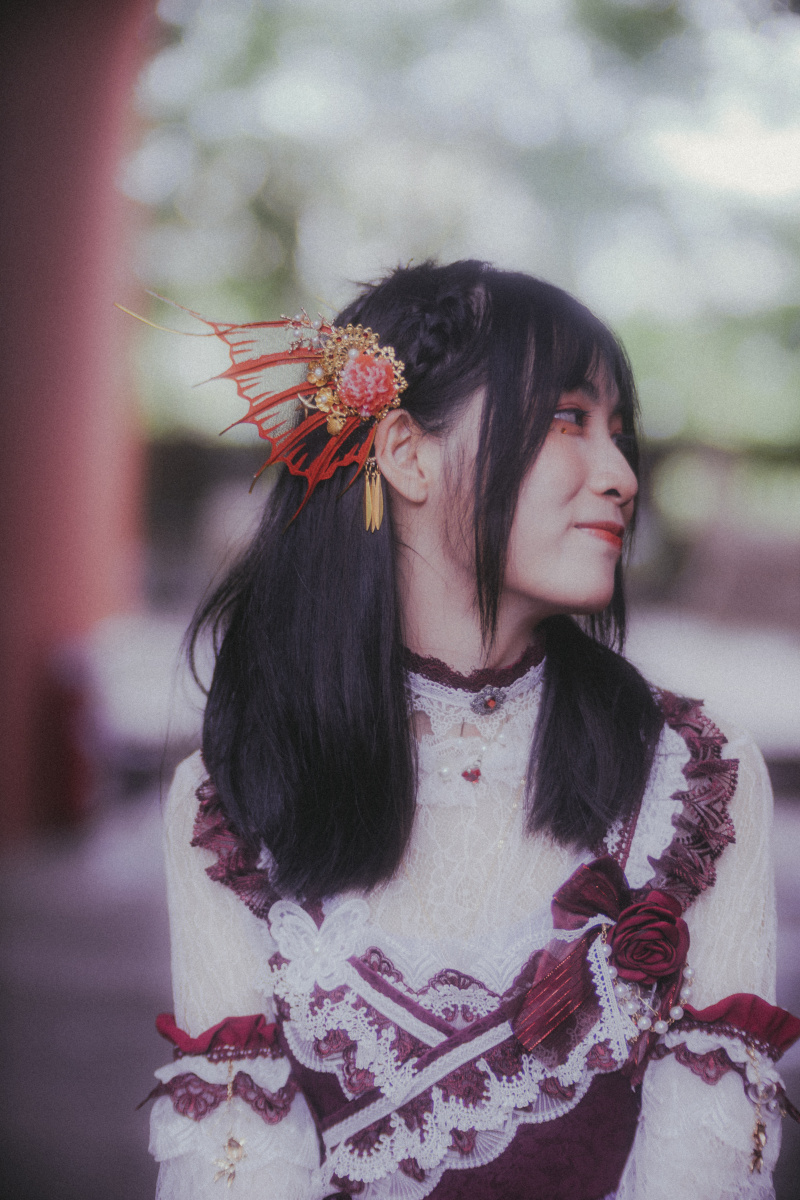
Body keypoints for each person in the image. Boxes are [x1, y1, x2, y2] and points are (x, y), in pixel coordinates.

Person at [146, 260, 798, 1199]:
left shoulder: (696, 780)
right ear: (408, 455)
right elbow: (235, 1172)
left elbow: (702, 1168)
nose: (622, 477)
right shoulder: (232, 802)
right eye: (568, 418)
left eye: (620, 433)